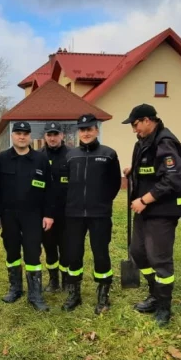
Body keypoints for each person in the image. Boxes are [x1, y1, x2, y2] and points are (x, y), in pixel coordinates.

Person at [122, 103, 181, 326]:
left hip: (161, 211)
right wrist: (134, 170)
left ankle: (164, 307)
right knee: (138, 252)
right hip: (145, 212)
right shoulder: (143, 142)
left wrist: (144, 199)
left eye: (135, 124)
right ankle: (154, 293)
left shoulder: (165, 142)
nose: (134, 129)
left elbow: (173, 177)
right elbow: (151, 168)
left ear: (148, 120)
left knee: (159, 259)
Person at [59, 113, 122, 314]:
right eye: (82, 129)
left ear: (96, 130)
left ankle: (103, 295)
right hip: (74, 214)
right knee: (73, 254)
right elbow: (64, 184)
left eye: (89, 129)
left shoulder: (109, 154)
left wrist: (101, 202)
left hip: (99, 215)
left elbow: (115, 184)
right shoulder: (70, 155)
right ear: (79, 131)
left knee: (100, 253)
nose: (86, 133)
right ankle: (74, 293)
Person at [0, 121, 56, 312]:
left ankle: (35, 294)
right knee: (12, 252)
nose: (21, 137)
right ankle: (15, 288)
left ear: (30, 136)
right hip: (9, 215)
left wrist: (48, 214)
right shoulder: (2, 159)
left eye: (25, 133)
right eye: (18, 133)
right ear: (12, 136)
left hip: (33, 215)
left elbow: (49, 189)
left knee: (33, 253)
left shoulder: (40, 159)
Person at [40, 121, 71, 293]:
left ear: (62, 135)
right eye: (49, 135)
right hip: (46, 213)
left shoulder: (72, 155)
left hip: (66, 212)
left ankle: (67, 280)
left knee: (66, 248)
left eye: (55, 134)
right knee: (50, 248)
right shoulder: (38, 156)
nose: (52, 138)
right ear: (45, 136)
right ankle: (53, 281)